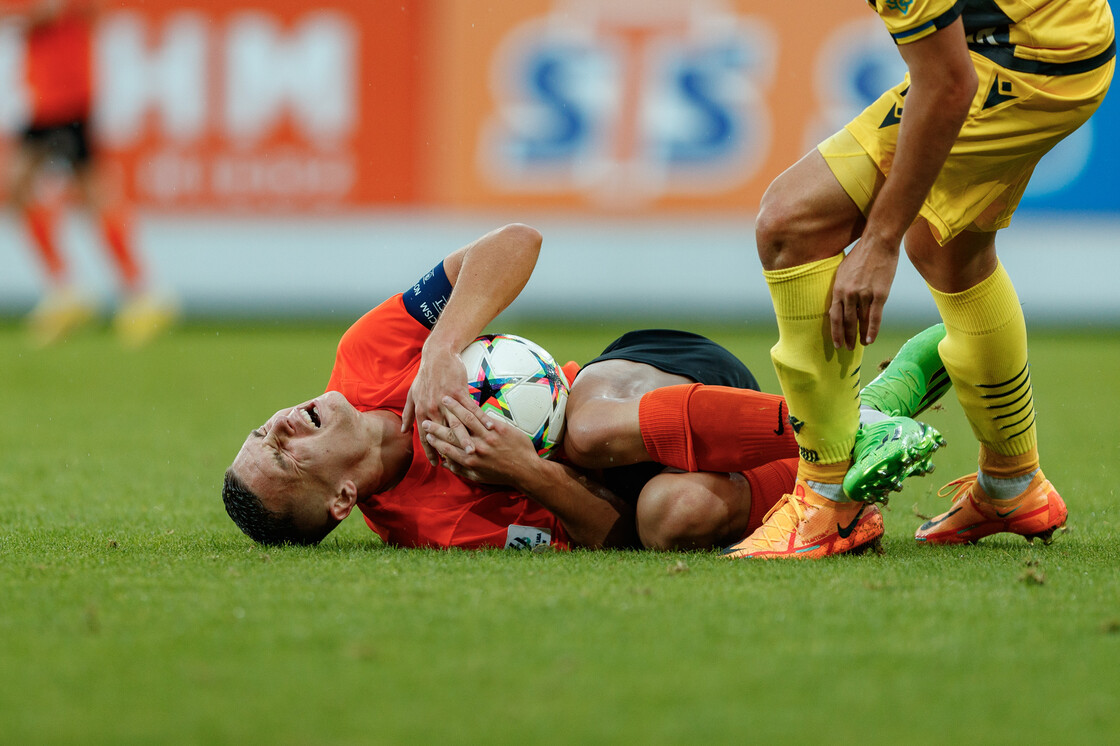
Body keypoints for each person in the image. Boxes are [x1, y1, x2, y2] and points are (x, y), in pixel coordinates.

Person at [222, 224, 949, 551]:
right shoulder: (432, 528)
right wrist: (526, 474)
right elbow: (616, 536)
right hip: (656, 476)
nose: (280, 425)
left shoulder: (368, 354)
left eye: (263, 431)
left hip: (645, 380)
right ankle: (845, 468)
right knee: (674, 516)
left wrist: (442, 345)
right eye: (285, 456)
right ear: (344, 499)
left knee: (586, 431)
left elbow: (516, 242)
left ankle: (831, 423)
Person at [725, 0, 1114, 558]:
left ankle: (827, 505)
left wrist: (878, 244)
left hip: (1025, 64)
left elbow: (950, 85)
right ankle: (1013, 486)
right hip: (1063, 45)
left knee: (793, 223)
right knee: (946, 247)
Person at [3, 0, 177, 346]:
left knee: (83, 191)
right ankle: (113, 292)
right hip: (46, 97)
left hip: (66, 95)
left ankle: (135, 292)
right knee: (58, 190)